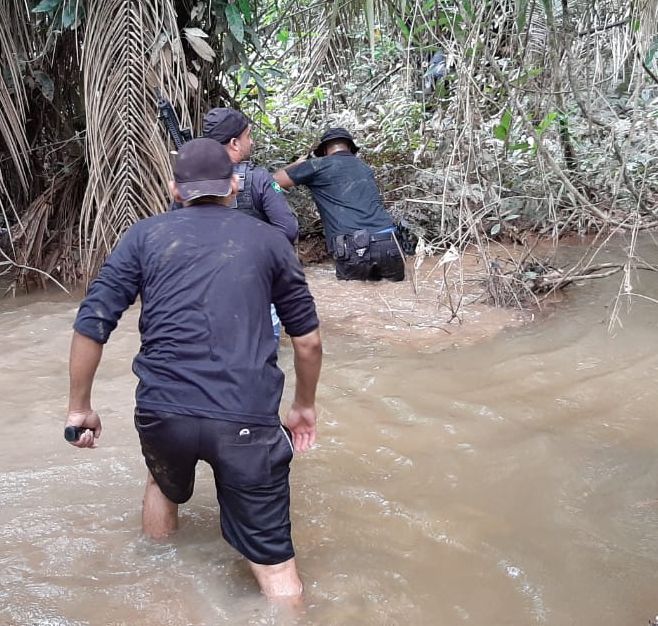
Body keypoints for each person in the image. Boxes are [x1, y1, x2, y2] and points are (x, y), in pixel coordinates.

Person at [65, 137, 323, 600]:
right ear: (235, 185)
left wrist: (79, 407)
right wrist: (303, 406)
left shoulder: (143, 237)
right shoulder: (269, 241)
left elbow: (92, 323)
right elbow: (307, 340)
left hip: (164, 414)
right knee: (276, 568)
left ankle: (158, 592)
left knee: (161, 483)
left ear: (174, 189)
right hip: (245, 418)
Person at [198, 107, 299, 339]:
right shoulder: (259, 178)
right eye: (248, 136)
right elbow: (288, 228)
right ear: (234, 143)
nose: (251, 142)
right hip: (255, 287)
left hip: (205, 290)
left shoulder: (191, 181)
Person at [273, 128, 405, 282]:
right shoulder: (364, 167)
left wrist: (295, 166)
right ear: (349, 147)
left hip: (353, 249)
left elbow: (271, 183)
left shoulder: (315, 165)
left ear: (324, 150)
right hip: (390, 243)